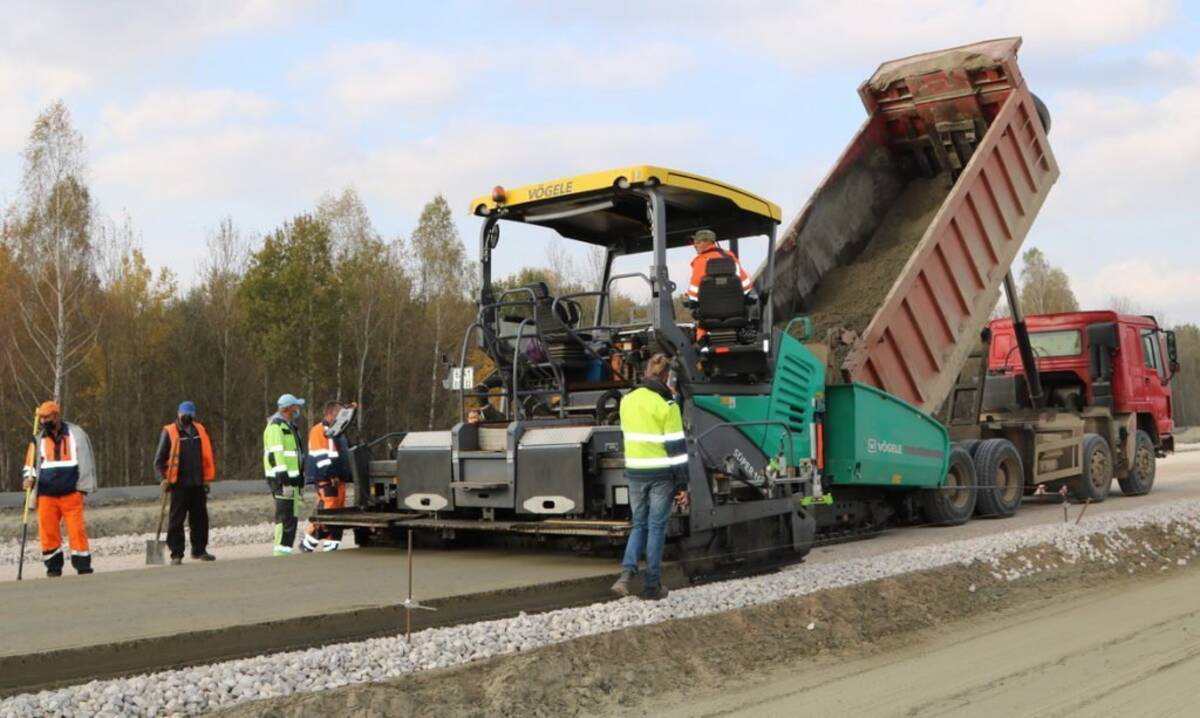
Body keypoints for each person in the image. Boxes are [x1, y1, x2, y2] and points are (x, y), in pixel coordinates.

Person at [611, 354, 690, 600]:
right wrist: (683, 485)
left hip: (635, 473)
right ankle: (652, 586)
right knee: (656, 528)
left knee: (639, 524)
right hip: (661, 476)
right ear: (667, 377)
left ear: (646, 372)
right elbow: (677, 451)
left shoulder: (627, 401)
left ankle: (625, 576)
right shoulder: (668, 406)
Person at [22, 401, 98, 577]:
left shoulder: (75, 434)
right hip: (46, 495)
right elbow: (30, 465)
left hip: (71, 493)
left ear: (56, 416)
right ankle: (53, 567)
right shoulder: (37, 439)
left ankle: (83, 566)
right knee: (48, 532)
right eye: (41, 418)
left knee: (77, 530)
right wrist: (28, 478)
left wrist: (82, 488)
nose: (43, 421)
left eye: (47, 417)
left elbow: (85, 462)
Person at [153, 401, 217, 564]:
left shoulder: (200, 430)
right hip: (178, 484)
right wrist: (162, 479)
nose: (187, 417)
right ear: (178, 414)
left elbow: (206, 456)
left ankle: (199, 550)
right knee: (176, 520)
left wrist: (206, 480)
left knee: (200, 519)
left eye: (190, 414)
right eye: (184, 414)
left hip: (197, 483)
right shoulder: (169, 432)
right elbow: (159, 461)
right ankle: (176, 553)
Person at [302, 401, 349, 552]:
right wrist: (331, 475)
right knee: (327, 511)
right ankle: (308, 544)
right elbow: (321, 457)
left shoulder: (338, 432)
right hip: (326, 479)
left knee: (337, 513)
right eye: (339, 414)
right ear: (330, 414)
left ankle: (331, 545)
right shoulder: (319, 431)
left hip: (338, 479)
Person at [264, 394, 306, 556]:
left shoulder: (289, 426)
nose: (298, 409)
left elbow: (296, 456)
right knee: (284, 519)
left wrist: (300, 481)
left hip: (293, 481)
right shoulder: (275, 427)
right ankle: (280, 554)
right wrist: (285, 481)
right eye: (296, 406)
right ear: (288, 408)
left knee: (291, 519)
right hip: (282, 482)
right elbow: (276, 456)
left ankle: (285, 552)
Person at [685, 228, 753, 305]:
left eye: (698, 243)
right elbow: (745, 283)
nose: (695, 246)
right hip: (735, 307)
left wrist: (691, 300)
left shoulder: (701, 260)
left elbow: (695, 287)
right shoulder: (730, 256)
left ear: (708, 242)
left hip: (710, 309)